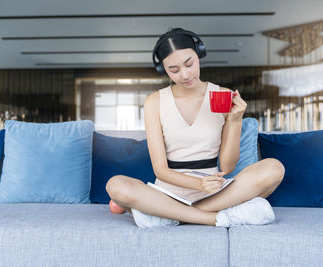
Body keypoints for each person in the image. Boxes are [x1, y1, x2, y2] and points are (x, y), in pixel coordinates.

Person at [105, 28, 285, 228]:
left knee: (274, 168)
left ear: (198, 53)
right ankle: (216, 218)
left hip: (214, 191)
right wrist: (198, 184)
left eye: (189, 64)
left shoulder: (221, 95)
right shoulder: (155, 102)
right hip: (168, 193)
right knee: (115, 185)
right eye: (174, 70)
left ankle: (167, 215)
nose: (185, 74)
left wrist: (235, 120)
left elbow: (227, 167)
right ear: (164, 69)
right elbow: (161, 170)